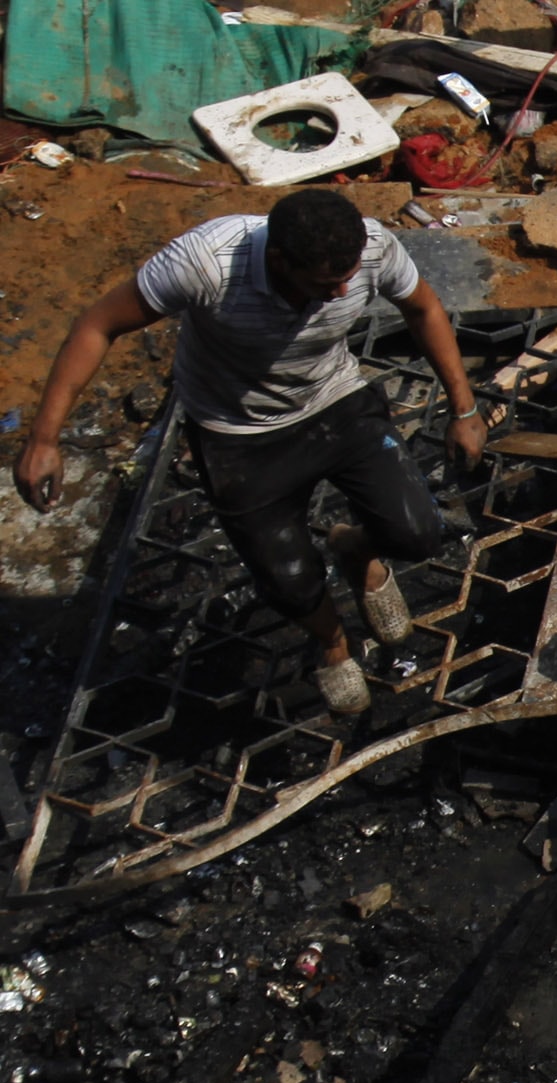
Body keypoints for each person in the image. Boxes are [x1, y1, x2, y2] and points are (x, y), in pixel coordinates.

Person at [13, 188, 486, 719]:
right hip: (236, 429)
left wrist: (464, 409)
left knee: (417, 532)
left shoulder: (374, 247)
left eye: (348, 277)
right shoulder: (205, 263)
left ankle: (354, 549)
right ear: (279, 260)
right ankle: (332, 642)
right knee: (288, 580)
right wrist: (44, 438)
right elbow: (97, 325)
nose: (343, 291)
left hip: (334, 400)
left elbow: (422, 307)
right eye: (325, 284)